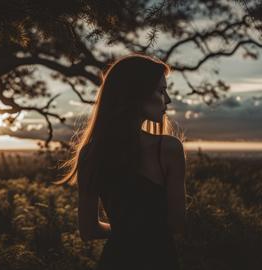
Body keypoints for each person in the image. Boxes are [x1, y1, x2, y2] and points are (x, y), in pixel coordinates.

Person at [54, 53, 186, 270]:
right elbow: (177, 224)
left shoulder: (91, 153)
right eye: (161, 91)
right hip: (159, 260)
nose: (168, 99)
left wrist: (124, 230)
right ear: (137, 94)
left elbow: (88, 231)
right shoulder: (169, 149)